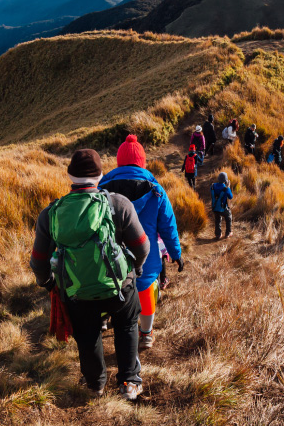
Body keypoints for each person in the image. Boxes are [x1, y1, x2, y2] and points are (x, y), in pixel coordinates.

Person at [30, 149, 149, 401]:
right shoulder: (118, 204)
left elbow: (38, 263)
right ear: (100, 175)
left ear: (70, 176)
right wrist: (135, 269)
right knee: (126, 324)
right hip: (119, 286)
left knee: (86, 332)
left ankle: (95, 384)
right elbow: (142, 246)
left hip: (76, 291)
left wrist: (50, 284)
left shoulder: (50, 214)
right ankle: (129, 382)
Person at [98, 135, 184, 350]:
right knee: (146, 296)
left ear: (119, 161)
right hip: (146, 259)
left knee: (110, 289)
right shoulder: (156, 190)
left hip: (110, 258)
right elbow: (168, 226)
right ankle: (146, 335)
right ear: (142, 162)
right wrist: (176, 253)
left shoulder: (101, 189)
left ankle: (104, 321)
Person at [211, 172, 234, 239]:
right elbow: (230, 197)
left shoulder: (212, 186)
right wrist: (228, 187)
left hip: (214, 207)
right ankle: (228, 233)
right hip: (223, 208)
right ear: (225, 180)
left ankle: (218, 234)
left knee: (217, 219)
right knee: (228, 217)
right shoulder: (226, 188)